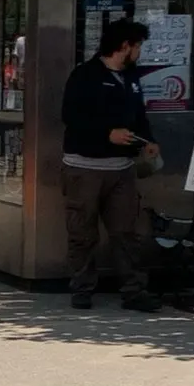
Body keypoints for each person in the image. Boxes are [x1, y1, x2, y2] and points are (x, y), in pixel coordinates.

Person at [60, 18, 161, 312]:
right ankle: (82, 288)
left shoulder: (131, 77)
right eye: (138, 45)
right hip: (85, 167)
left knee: (128, 232)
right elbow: (71, 116)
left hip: (122, 169)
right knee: (82, 232)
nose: (140, 51)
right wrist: (107, 134)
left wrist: (148, 140)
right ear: (125, 46)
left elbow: (138, 115)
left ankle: (134, 290)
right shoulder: (85, 75)